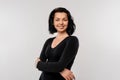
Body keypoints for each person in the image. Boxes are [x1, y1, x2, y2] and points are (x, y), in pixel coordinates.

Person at [35, 7, 79, 80]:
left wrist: (38, 64)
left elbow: (59, 65)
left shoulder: (72, 40)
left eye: (64, 20)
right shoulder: (48, 41)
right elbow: (40, 67)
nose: (61, 23)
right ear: (53, 22)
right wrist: (61, 69)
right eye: (57, 20)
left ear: (69, 22)